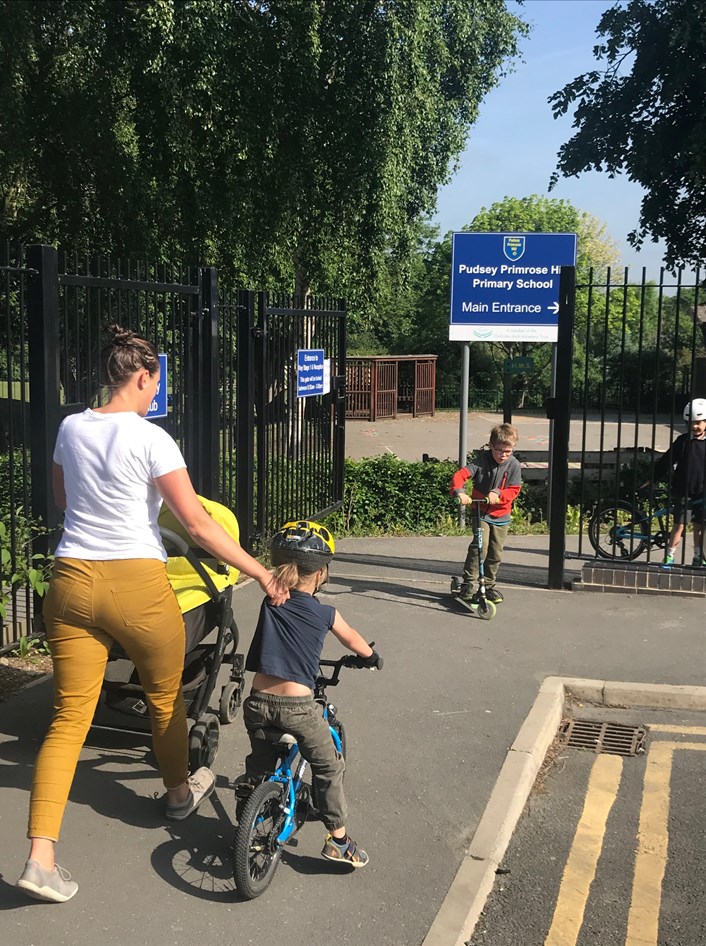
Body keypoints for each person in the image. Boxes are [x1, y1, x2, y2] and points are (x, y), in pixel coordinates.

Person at [16, 325, 289, 904]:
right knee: (165, 699)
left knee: (69, 720)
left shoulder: (70, 427)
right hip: (137, 586)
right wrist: (262, 572)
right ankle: (175, 794)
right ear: (143, 377)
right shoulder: (153, 440)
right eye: (155, 383)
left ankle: (40, 857)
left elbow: (64, 501)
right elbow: (197, 525)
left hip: (70, 583)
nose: (154, 393)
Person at [236, 520, 381, 867]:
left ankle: (248, 815)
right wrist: (371, 657)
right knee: (329, 766)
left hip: (256, 703)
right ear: (320, 574)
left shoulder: (270, 600)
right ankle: (339, 842)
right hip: (297, 708)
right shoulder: (325, 612)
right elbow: (352, 639)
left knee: (260, 761)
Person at [449, 423, 521, 604]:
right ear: (491, 446)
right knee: (481, 546)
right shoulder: (481, 461)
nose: (503, 455)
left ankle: (488, 586)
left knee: (496, 552)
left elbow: (514, 490)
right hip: (480, 511)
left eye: (508, 451)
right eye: (499, 451)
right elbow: (460, 476)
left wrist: (499, 493)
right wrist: (459, 491)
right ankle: (468, 583)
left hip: (502, 515)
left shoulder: (514, 465)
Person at [654, 397, 706, 567]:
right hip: (683, 490)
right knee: (679, 525)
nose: (695, 426)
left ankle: (698, 556)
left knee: (699, 526)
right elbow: (667, 460)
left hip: (702, 492)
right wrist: (653, 477)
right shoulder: (683, 441)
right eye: (691, 422)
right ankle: (669, 556)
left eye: (699, 422)